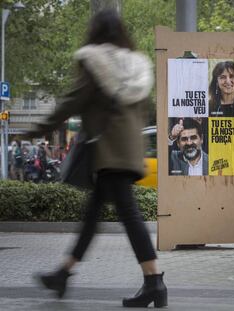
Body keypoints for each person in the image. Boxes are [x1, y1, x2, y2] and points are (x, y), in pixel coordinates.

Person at [29, 10, 167, 308]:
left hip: (108, 150)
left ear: (95, 30)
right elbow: (143, 111)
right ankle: (64, 274)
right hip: (128, 150)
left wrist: (37, 129)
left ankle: (155, 281)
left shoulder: (93, 61)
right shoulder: (138, 66)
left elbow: (71, 101)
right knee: (92, 216)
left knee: (129, 216)